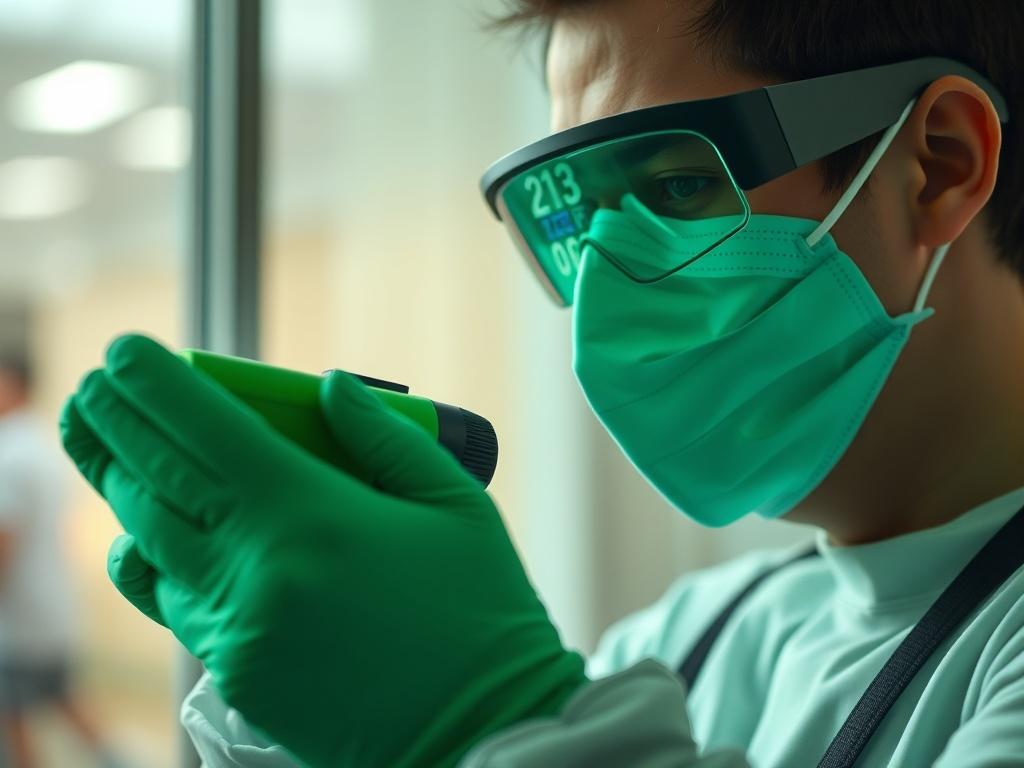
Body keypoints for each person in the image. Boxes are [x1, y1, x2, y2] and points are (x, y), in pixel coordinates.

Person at [59, 0, 1024, 766]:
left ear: (940, 162)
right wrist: (318, 706)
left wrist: (481, 718)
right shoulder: (699, 633)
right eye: (568, 221)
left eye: (676, 186)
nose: (603, 290)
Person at [0, 354, 119, 768]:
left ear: (11, 383)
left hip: (17, 620)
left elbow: (3, 545)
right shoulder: (42, 445)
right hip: (52, 609)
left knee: (14, 724)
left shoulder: (9, 454)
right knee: (66, 704)